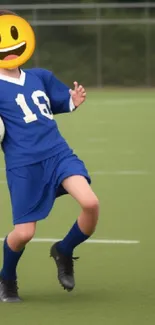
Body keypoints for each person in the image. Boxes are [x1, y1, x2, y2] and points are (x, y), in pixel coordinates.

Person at [0, 9, 99, 303]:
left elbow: (53, 105)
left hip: (57, 153)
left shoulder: (40, 76)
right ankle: (6, 276)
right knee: (24, 233)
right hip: (24, 165)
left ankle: (64, 250)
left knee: (91, 203)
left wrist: (73, 100)